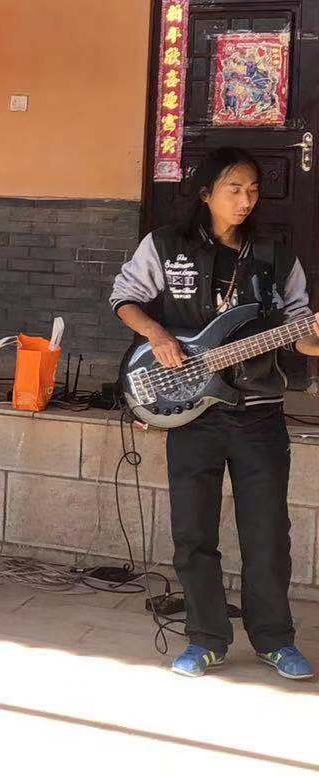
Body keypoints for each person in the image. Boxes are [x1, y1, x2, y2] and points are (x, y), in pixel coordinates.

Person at [110, 146, 318, 680]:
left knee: (267, 533)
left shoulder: (276, 257)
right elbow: (125, 298)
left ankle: (274, 640)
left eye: (253, 190)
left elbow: (300, 332)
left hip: (259, 412)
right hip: (193, 413)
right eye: (234, 189)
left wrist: (314, 338)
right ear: (206, 193)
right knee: (193, 532)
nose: (246, 200)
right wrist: (156, 334)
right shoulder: (165, 245)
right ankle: (206, 639)